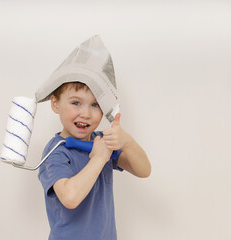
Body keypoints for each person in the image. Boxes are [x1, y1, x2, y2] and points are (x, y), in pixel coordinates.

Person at [38, 81, 151, 240]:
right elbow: (70, 198)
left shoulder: (102, 141)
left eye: (95, 104)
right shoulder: (55, 152)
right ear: (55, 104)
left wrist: (127, 141)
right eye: (76, 103)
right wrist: (99, 158)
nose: (86, 113)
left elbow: (144, 170)